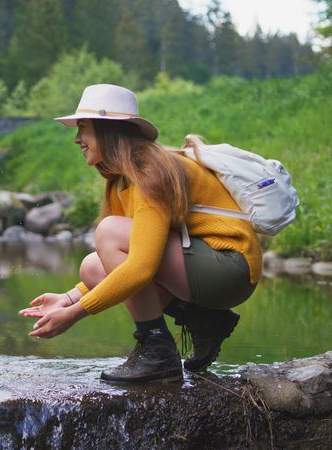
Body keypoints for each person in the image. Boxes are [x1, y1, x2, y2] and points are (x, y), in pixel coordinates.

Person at [19, 84, 262, 383]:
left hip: (229, 267)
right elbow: (127, 259)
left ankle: (157, 351)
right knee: (93, 267)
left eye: (83, 128)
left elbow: (141, 267)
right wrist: (68, 298)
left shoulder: (151, 172)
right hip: (203, 268)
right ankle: (203, 319)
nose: (76, 139)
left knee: (109, 231)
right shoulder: (124, 179)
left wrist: (76, 313)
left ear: (107, 129)